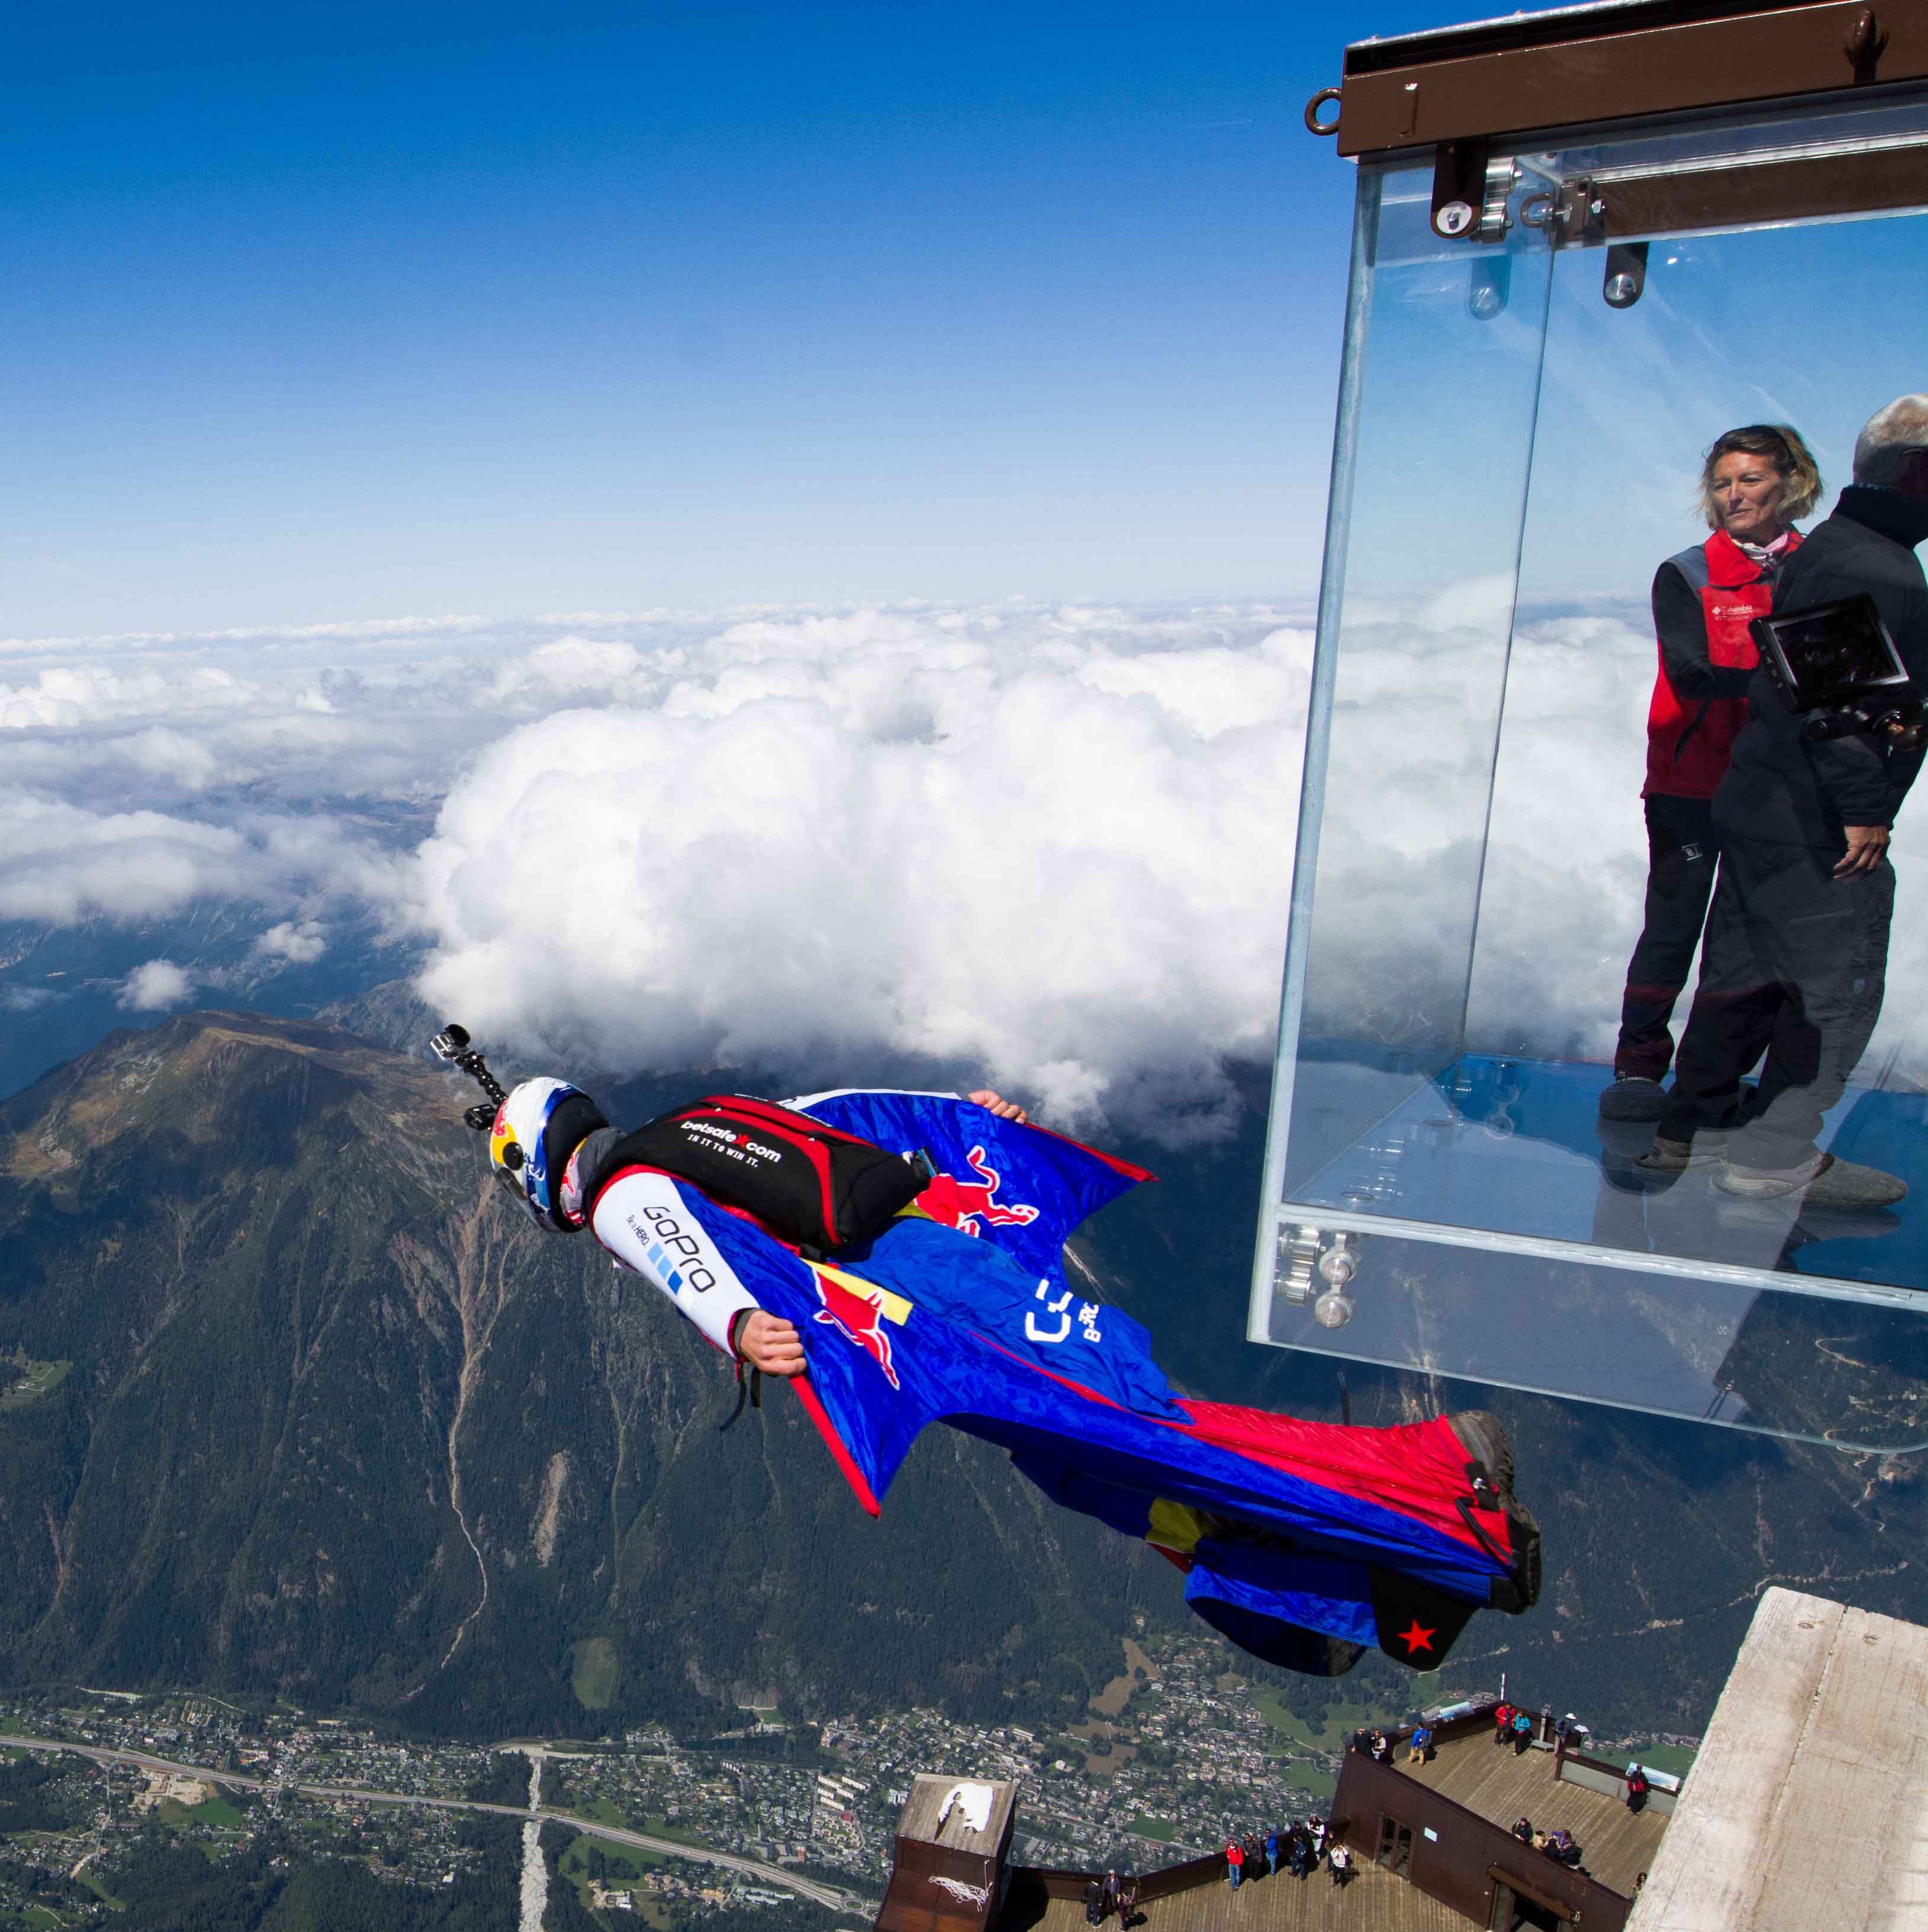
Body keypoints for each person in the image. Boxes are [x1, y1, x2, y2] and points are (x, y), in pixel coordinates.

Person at [463, 1067, 1541, 1676]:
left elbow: (665, 1245)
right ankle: (1336, 1594)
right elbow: (858, 1110)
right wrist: (978, 1123)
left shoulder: (617, 1195)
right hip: (938, 1274)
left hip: (933, 1301)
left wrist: (738, 1324)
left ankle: (1442, 1494)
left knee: (1140, 1432)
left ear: (537, 1178)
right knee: (1086, 1463)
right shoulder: (709, 1124)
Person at [1641, 399, 1928, 1207]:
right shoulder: (1869, 564)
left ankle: (1689, 1132)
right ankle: (1773, 1154)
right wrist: (1866, 808)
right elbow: (1835, 702)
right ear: (1917, 471)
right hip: (1816, 822)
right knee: (1832, 987)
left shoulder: (1837, 551)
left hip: (1760, 808)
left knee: (1744, 974)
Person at [1606, 426, 1823, 1120]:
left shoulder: (1819, 568)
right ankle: (1638, 1068)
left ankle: (1719, 1078)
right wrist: (1799, 674)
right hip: (1689, 786)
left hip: (1780, 792)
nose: (1734, 495)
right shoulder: (1688, 573)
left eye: (1751, 479)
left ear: (1791, 483)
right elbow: (1695, 677)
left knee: (1759, 938)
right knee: (1673, 927)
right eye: (1724, 483)